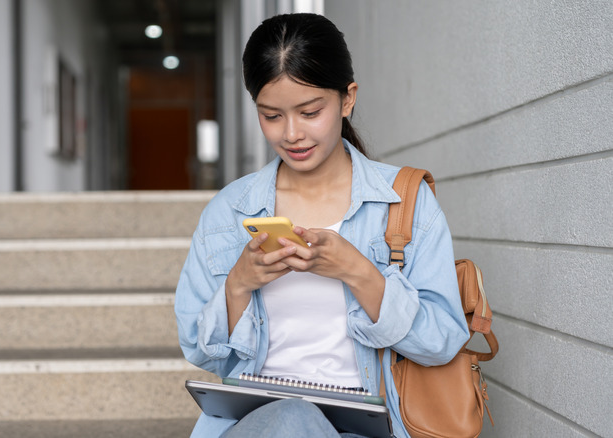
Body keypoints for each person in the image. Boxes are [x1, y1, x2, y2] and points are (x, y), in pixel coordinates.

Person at [175, 13, 468, 438]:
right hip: (259, 424)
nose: (292, 134)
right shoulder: (228, 213)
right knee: (292, 419)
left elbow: (442, 343)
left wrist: (360, 272)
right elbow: (202, 351)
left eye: (310, 112)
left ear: (347, 99)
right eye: (271, 116)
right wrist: (238, 284)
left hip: (367, 425)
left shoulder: (406, 204)